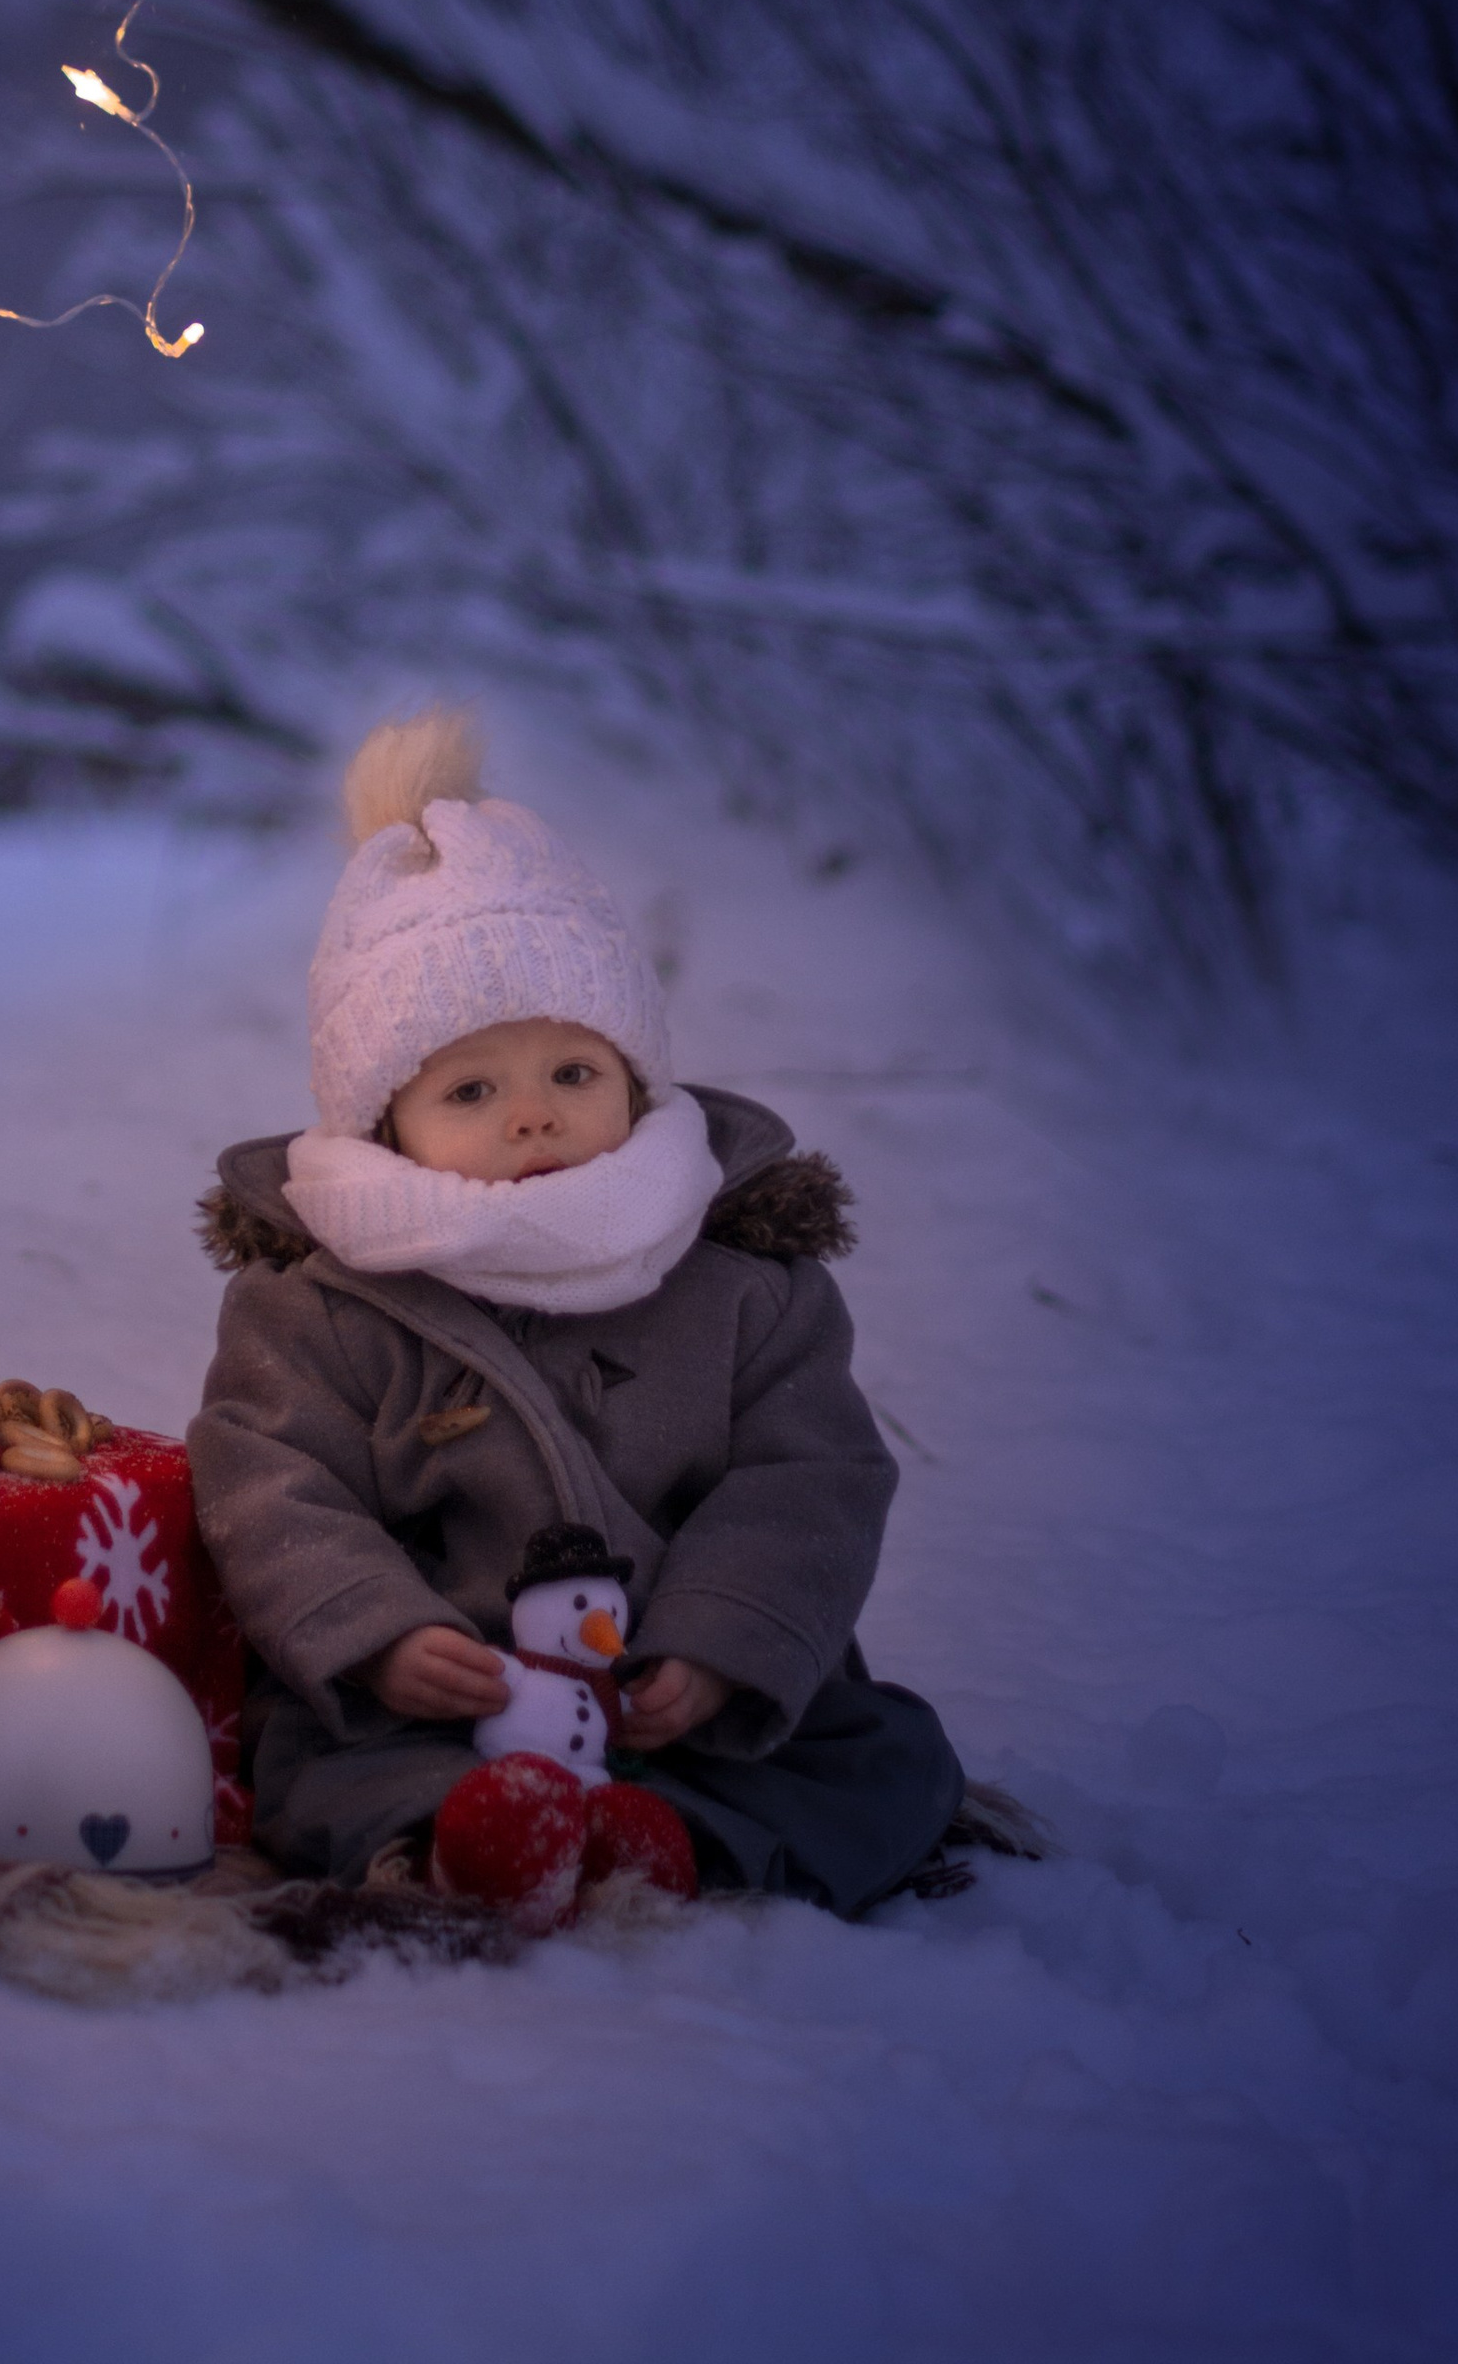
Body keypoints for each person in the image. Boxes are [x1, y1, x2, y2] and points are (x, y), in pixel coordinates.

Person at [186, 709, 964, 1926]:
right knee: (333, 1774)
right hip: (451, 1693)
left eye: (572, 1072)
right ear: (384, 1126)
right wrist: (382, 1638)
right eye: (470, 1089)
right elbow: (273, 1485)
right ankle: (464, 1844)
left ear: (635, 1078)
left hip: (677, 1697)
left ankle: (671, 1844)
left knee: (884, 1761)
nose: (532, 1116)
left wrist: (720, 1645)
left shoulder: (739, 1276)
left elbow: (807, 1476)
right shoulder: (324, 1304)